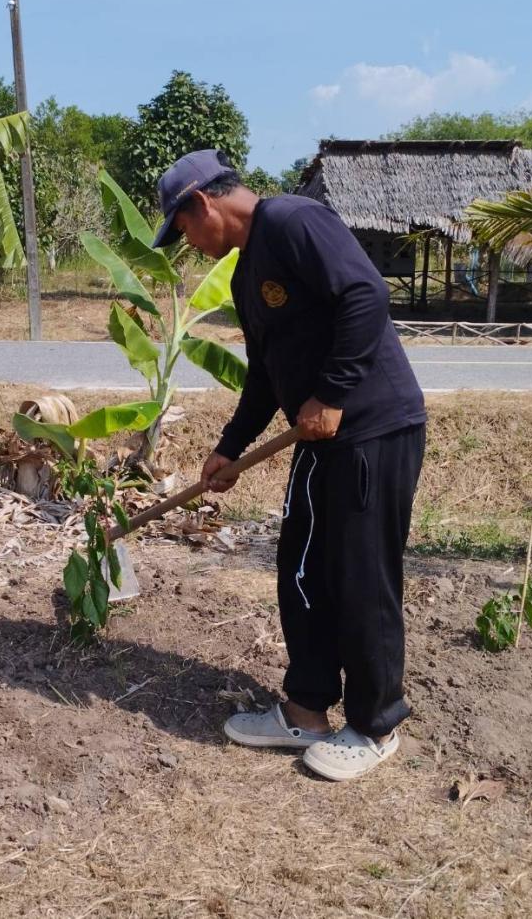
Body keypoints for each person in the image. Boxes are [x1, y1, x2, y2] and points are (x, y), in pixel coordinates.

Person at [151, 149, 427, 782]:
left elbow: (366, 296)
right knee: (301, 567)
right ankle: (305, 710)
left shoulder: (295, 221)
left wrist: (331, 395)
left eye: (184, 229)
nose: (189, 244)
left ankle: (376, 723)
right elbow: (267, 380)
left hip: (373, 428)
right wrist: (230, 449)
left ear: (202, 203)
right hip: (319, 439)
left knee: (361, 574)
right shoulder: (248, 273)